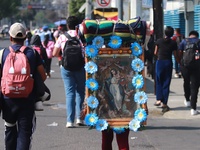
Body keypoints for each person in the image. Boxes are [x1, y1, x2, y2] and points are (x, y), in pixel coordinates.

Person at [0, 22, 46, 149]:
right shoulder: (33, 53)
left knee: (9, 128)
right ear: (26, 38)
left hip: (8, 99)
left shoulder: (2, 53)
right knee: (25, 133)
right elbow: (43, 76)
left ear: (10, 38)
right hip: (27, 98)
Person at [53, 16, 86, 128]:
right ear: (78, 25)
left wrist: (63, 57)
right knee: (80, 92)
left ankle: (69, 121)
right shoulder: (81, 36)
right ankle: (79, 118)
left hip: (66, 68)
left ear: (67, 25)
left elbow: (54, 53)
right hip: (80, 67)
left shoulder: (62, 37)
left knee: (69, 93)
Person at [153, 26, 178, 113]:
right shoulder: (173, 43)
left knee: (159, 80)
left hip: (160, 62)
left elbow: (155, 52)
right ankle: (164, 103)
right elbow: (175, 54)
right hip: (168, 62)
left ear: (165, 32)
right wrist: (179, 62)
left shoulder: (159, 41)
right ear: (172, 34)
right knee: (166, 82)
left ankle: (158, 100)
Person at [178, 30, 200, 115]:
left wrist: (181, 63)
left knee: (186, 82)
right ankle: (193, 109)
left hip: (185, 66)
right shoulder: (199, 42)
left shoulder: (184, 41)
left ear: (190, 35)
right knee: (194, 87)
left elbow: (179, 53)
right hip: (196, 67)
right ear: (197, 36)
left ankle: (187, 100)